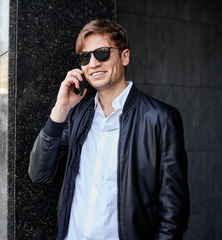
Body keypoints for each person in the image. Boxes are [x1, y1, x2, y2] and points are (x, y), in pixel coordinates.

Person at [29, 19, 189, 240]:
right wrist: (61, 109)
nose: (93, 63)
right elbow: (39, 173)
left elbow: (173, 212)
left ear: (125, 57)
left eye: (102, 53)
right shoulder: (77, 115)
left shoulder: (160, 118)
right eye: (86, 57)